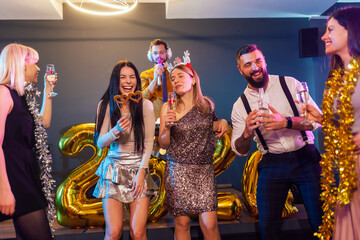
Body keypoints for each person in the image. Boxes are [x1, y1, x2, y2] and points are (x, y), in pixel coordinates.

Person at [231, 44, 323, 240]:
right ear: (240, 69)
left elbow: (316, 121)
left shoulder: (290, 84)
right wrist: (247, 133)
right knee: (268, 228)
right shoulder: (240, 105)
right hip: (272, 164)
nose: (255, 67)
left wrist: (286, 122)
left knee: (321, 221)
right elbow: (240, 149)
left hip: (305, 158)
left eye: (258, 61)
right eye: (248, 64)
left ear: (265, 60)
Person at [304, 7, 360, 240]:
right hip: (349, 167)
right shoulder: (339, 76)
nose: (324, 36)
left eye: (331, 29)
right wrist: (322, 120)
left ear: (352, 31)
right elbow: (348, 123)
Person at [158, 57, 228, 240]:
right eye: (173, 78)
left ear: (193, 79)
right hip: (178, 170)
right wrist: (166, 127)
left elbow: (211, 126)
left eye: (180, 76)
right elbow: (163, 144)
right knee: (182, 224)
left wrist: (223, 122)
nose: (176, 81)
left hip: (203, 171)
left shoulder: (206, 105)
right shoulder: (168, 107)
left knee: (210, 225)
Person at [93, 60, 156, 240]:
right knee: (113, 232)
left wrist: (141, 173)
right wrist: (116, 131)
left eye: (132, 77)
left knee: (137, 232)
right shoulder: (105, 105)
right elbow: (101, 143)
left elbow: (149, 142)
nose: (128, 81)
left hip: (139, 168)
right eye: (123, 77)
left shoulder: (145, 105)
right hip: (113, 169)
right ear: (116, 80)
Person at [0, 43, 56, 240]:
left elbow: (45, 122)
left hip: (25, 172)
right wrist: (4, 190)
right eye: (35, 63)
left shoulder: (21, 96)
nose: (39, 69)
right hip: (13, 176)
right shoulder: (3, 93)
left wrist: (48, 90)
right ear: (22, 65)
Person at [141, 39, 174, 120]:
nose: (159, 56)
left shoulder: (173, 73)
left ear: (167, 53)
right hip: (154, 120)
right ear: (151, 55)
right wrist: (155, 79)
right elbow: (142, 98)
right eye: (155, 53)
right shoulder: (145, 75)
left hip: (174, 118)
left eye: (162, 52)